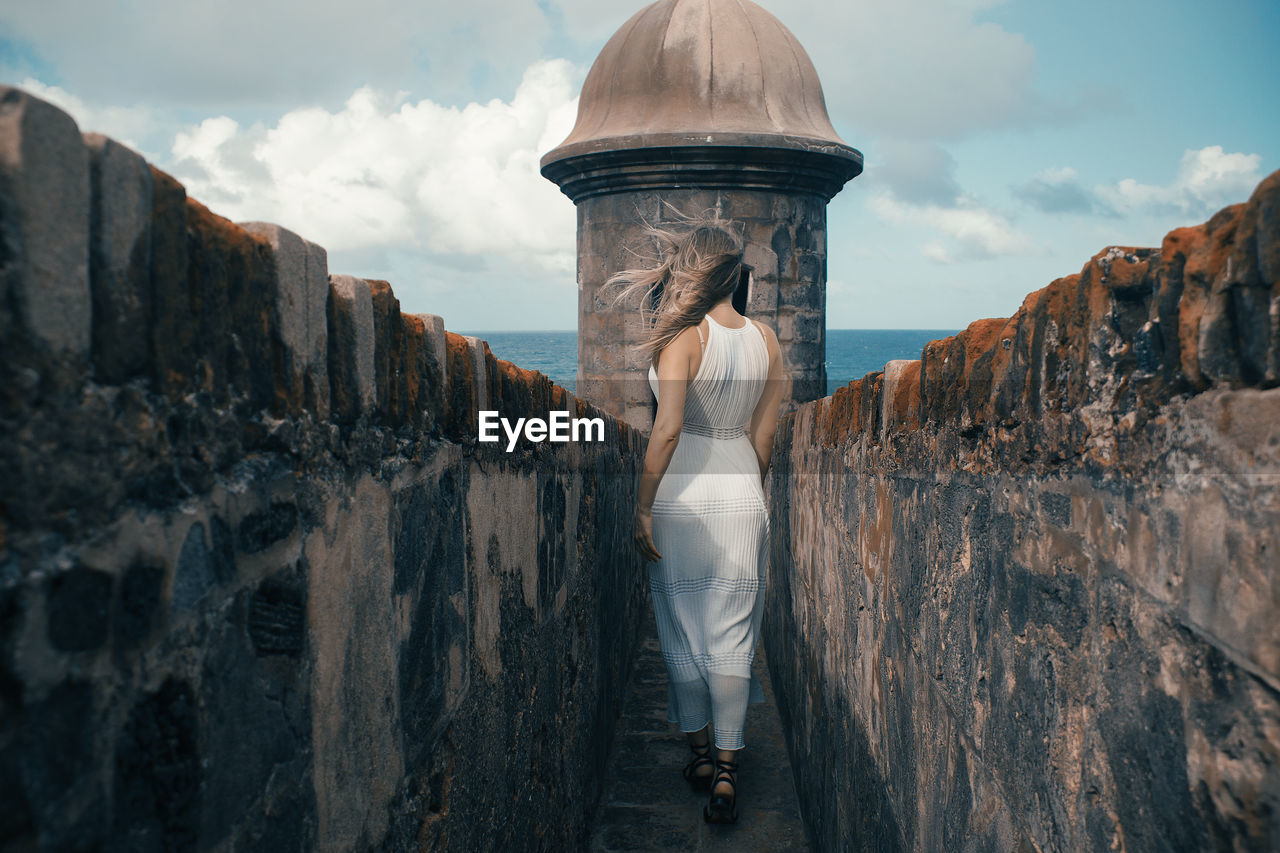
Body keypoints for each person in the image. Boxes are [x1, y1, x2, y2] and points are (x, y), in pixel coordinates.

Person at [610, 213, 783, 825]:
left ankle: (702, 755)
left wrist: (642, 504)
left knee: (683, 628)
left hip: (683, 492)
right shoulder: (767, 341)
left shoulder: (682, 337)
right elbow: (764, 438)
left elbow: (668, 428)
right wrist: (749, 497)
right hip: (742, 490)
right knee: (734, 632)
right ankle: (731, 772)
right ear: (735, 273)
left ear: (690, 270)